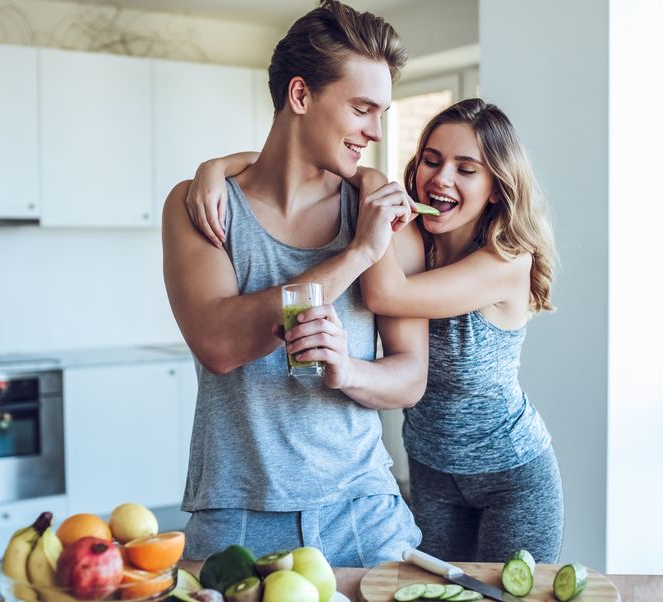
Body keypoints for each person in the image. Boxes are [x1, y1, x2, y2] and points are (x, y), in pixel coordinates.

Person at [185, 99, 564, 563]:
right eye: (432, 160)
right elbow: (289, 158)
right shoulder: (413, 239)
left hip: (510, 474)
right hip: (429, 470)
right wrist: (216, 166)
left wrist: (369, 183)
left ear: (495, 189)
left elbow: (386, 296)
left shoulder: (506, 262)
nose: (442, 178)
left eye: (467, 169)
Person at [161, 0, 429, 568]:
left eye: (380, 113)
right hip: (237, 517)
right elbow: (219, 344)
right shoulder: (205, 206)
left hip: (366, 515)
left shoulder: (378, 206)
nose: (374, 133)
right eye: (361, 109)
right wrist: (356, 254)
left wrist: (348, 370)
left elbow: (410, 378)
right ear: (301, 96)